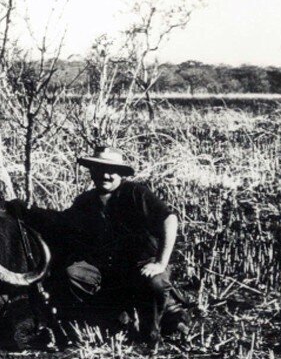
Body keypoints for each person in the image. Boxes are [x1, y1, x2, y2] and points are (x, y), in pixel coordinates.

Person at [57, 147, 190, 345]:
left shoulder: (136, 193)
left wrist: (161, 263)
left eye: (111, 170)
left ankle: (152, 330)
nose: (105, 175)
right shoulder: (85, 201)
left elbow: (169, 219)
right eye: (99, 169)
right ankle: (111, 317)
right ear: (92, 171)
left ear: (121, 173)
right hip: (106, 271)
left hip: (141, 265)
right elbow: (64, 224)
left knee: (156, 282)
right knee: (72, 273)